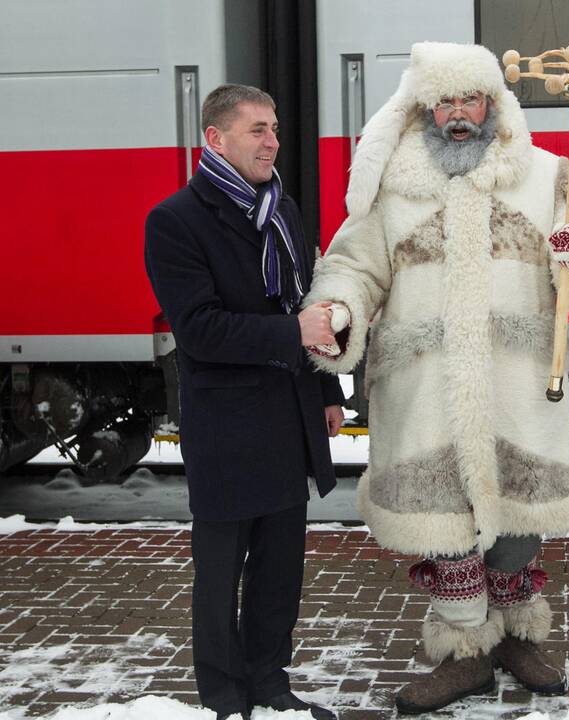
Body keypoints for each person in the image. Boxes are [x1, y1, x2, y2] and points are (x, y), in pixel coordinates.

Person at [300, 43, 569, 714]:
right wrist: (339, 308)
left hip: (518, 383)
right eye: (441, 102)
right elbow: (354, 266)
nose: (455, 114)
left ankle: (513, 637)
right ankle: (463, 652)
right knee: (444, 524)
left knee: (517, 520)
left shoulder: (547, 174)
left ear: (492, 103)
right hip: (428, 388)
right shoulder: (393, 183)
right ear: (423, 107)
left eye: (466, 100)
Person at [143, 84, 343, 720]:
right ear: (215, 139)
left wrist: (326, 388)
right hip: (227, 422)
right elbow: (199, 329)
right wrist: (294, 335)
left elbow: (303, 303)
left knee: (280, 570)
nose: (272, 141)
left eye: (275, 129)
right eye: (257, 130)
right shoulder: (175, 220)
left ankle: (270, 685)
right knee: (221, 572)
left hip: (287, 412)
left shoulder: (281, 208)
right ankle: (225, 698)